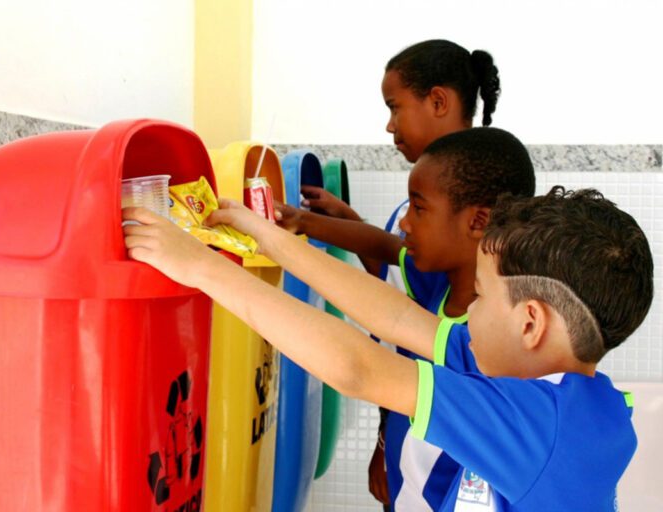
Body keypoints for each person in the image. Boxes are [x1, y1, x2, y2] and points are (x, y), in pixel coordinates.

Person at [123, 184, 653, 511]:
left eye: (483, 296)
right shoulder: (549, 383)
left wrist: (200, 268)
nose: (466, 312)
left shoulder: (542, 428)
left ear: (531, 324)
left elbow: (359, 368)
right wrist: (268, 237)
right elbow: (399, 317)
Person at [279, 39, 501, 509]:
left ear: (438, 101)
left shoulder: (478, 217)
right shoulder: (424, 202)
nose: (389, 124)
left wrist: (384, 440)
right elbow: (397, 270)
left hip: (419, 414)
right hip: (406, 418)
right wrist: (340, 223)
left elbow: (404, 318)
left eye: (395, 107)